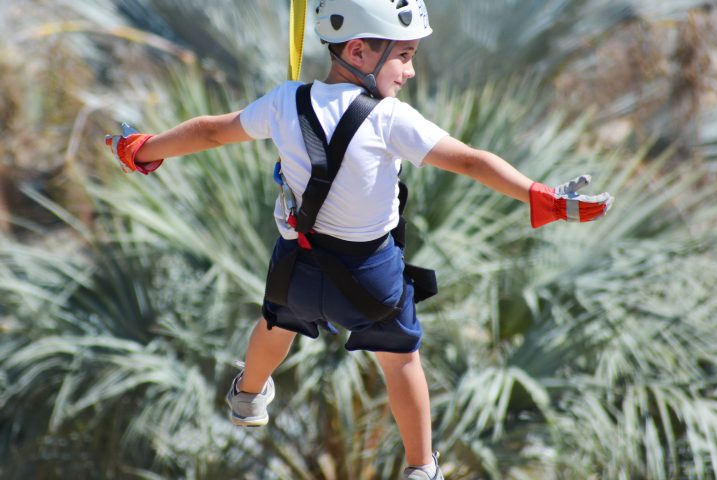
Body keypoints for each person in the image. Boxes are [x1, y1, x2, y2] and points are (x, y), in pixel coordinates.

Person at [105, 1, 613, 478]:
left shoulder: (286, 101)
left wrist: (146, 148)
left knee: (276, 322)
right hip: (369, 280)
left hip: (297, 271)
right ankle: (421, 467)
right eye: (405, 56)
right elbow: (468, 159)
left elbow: (212, 131)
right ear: (357, 51)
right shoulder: (391, 119)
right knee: (402, 361)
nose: (410, 71)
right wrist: (538, 195)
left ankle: (249, 394)